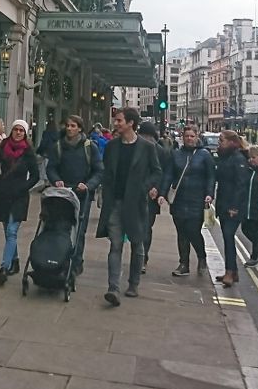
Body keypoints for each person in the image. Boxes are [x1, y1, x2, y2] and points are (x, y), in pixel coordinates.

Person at [96, 107, 161, 305]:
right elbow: (106, 172)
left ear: (131, 123)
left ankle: (133, 284)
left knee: (137, 244)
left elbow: (156, 172)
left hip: (135, 203)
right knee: (115, 245)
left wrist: (145, 187)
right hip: (115, 203)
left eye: (119, 120)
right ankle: (113, 288)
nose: (115, 123)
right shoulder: (112, 146)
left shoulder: (146, 147)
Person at [46, 114, 103, 275]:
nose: (69, 128)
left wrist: (88, 185)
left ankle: (76, 262)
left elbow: (99, 171)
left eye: (73, 126)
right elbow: (51, 167)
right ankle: (60, 259)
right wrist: (56, 180)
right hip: (62, 194)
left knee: (79, 231)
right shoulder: (58, 146)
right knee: (60, 227)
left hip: (82, 195)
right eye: (68, 125)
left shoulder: (89, 147)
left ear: (80, 128)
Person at [159, 124, 215, 277]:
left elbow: (211, 177)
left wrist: (210, 194)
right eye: (187, 136)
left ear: (197, 137)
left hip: (197, 200)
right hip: (179, 199)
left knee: (193, 230)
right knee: (181, 232)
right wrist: (162, 193)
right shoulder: (176, 154)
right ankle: (184, 264)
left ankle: (201, 257)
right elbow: (168, 175)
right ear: (182, 137)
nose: (189, 139)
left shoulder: (204, 155)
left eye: (192, 136)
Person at [0, 119, 39, 286]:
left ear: (25, 133)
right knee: (7, 230)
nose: (18, 133)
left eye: (21, 130)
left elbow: (35, 175)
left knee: (11, 231)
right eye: (16, 129)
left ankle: (4, 267)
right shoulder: (3, 147)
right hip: (3, 195)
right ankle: (15, 260)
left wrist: (24, 187)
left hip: (19, 196)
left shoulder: (28, 152)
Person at [215, 129, 250, 287]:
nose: (219, 143)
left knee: (229, 237)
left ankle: (230, 271)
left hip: (233, 206)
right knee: (226, 237)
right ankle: (232, 272)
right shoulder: (225, 157)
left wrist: (234, 206)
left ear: (231, 142)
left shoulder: (238, 159)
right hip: (224, 204)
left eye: (221, 140)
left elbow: (241, 185)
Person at [138, 121, 171, 271]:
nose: (145, 139)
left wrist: (158, 190)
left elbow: (163, 173)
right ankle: (139, 255)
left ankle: (143, 257)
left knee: (146, 227)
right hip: (135, 193)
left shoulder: (161, 152)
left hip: (151, 196)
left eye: (148, 136)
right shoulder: (136, 148)